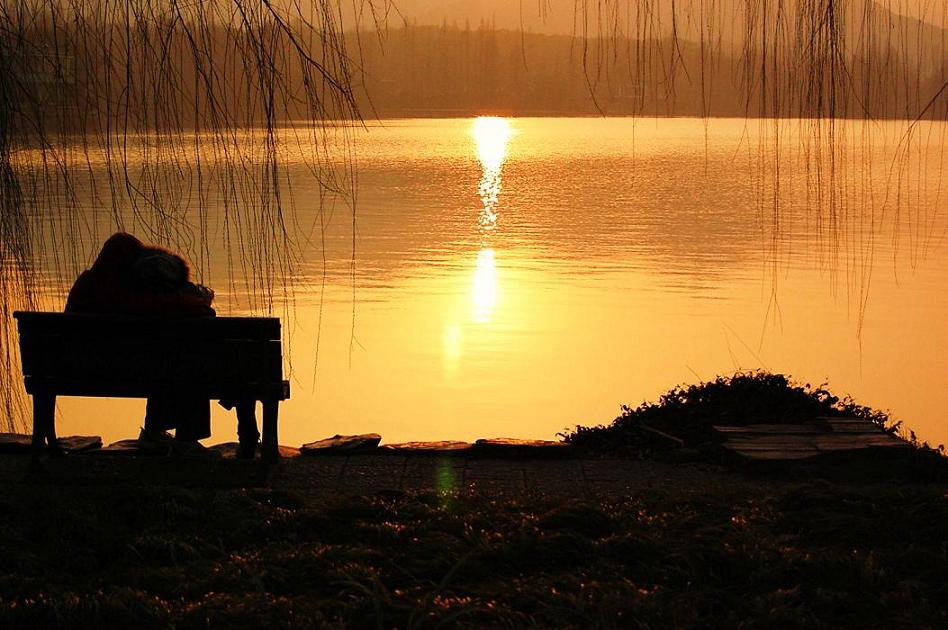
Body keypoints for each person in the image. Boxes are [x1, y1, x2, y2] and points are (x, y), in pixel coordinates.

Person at [65, 232, 234, 457]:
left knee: (162, 360)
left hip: (76, 369)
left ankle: (155, 433)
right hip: (127, 369)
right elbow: (187, 309)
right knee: (187, 363)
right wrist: (199, 301)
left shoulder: (86, 284)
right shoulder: (129, 294)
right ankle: (185, 438)